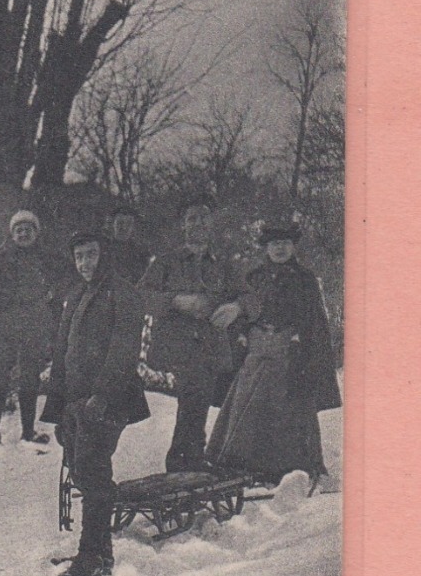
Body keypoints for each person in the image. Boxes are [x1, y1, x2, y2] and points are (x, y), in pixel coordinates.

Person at [42, 233, 150, 576]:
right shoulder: (76, 294)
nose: (85, 263)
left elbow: (123, 349)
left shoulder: (122, 292)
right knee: (85, 472)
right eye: (79, 257)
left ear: (105, 256)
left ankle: (92, 557)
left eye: (91, 255)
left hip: (105, 400)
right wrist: (58, 407)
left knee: (92, 472)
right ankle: (99, 553)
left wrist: (101, 397)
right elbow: (63, 351)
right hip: (75, 400)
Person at [206, 222, 341, 485]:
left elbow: (315, 321)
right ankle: (242, 465)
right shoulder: (254, 278)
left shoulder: (305, 279)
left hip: (290, 353)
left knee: (288, 405)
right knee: (247, 403)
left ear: (293, 246)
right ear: (265, 248)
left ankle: (290, 470)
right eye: (274, 244)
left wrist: (301, 346)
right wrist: (243, 335)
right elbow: (242, 312)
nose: (280, 248)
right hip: (256, 350)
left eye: (285, 243)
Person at [137, 199, 246, 472]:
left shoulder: (223, 263)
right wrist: (175, 301)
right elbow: (141, 295)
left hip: (211, 344)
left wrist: (237, 307)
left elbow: (249, 294)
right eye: (192, 218)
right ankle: (185, 459)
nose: (198, 224)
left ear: (212, 225)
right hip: (178, 345)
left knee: (199, 398)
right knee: (193, 395)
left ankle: (187, 459)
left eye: (203, 218)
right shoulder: (166, 262)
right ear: (183, 225)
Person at [0, 209, 68, 447]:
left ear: (36, 233)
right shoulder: (0, 259)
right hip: (5, 328)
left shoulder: (46, 261)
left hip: (34, 327)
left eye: (28, 229)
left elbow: (62, 286)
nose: (23, 234)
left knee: (30, 379)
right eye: (19, 230)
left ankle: (28, 431)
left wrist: (50, 307)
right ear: (12, 234)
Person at [105, 207, 153, 284]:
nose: (124, 227)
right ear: (112, 224)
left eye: (129, 224)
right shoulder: (103, 248)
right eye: (120, 223)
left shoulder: (141, 251)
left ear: (133, 227)